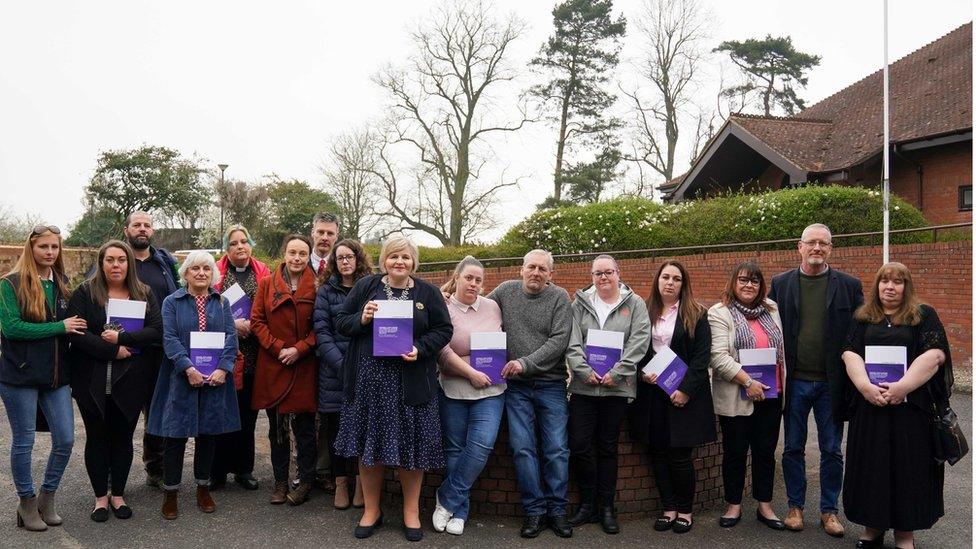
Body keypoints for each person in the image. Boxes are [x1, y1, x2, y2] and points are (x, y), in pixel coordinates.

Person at [333, 236, 453, 542]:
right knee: (369, 449)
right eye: (393, 257)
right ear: (384, 259)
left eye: (406, 257)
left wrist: (420, 347)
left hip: (411, 382)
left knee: (411, 449)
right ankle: (371, 510)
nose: (399, 262)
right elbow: (342, 323)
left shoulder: (427, 292)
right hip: (370, 384)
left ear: (414, 261)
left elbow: (444, 330)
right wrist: (362, 317)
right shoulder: (366, 287)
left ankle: (410, 512)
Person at [841, 262, 951, 549]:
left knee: (907, 470)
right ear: (877, 285)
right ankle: (872, 528)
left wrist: (903, 387)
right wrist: (865, 387)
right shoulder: (863, 317)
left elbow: (935, 355)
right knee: (872, 467)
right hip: (871, 408)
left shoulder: (923, 316)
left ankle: (905, 534)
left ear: (907, 286)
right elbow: (850, 354)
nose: (890, 287)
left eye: (897, 282)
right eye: (884, 281)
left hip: (910, 411)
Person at [768, 223, 863, 536]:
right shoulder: (780, 284)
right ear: (800, 246)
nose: (817, 248)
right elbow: (764, 326)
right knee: (793, 447)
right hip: (794, 381)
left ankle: (829, 511)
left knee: (832, 449)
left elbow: (862, 332)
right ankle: (795, 507)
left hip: (831, 384)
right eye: (812, 243)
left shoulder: (849, 285)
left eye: (824, 243)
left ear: (831, 248)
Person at [68, 240, 163, 522]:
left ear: (129, 263)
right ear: (101, 263)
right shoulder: (85, 292)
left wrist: (123, 339)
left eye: (121, 260)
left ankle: (118, 495)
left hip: (131, 380)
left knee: (123, 437)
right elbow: (76, 334)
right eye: (110, 260)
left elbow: (156, 331)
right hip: (91, 381)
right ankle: (100, 498)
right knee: (97, 437)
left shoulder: (143, 293)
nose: (116, 265)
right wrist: (112, 349)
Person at [147, 251, 241, 520]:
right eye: (195, 268)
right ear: (185, 273)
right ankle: (171, 492)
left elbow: (230, 338)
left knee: (207, 435)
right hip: (180, 377)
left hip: (214, 380)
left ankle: (203, 488)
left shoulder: (221, 302)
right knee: (175, 436)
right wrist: (187, 367)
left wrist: (223, 369)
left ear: (213, 274)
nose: (201, 273)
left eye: (206, 268)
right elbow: (169, 337)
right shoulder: (171, 302)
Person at [487, 249, 573, 539]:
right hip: (517, 388)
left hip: (551, 384)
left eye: (542, 269)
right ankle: (534, 511)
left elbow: (560, 341)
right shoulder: (505, 291)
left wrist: (525, 363)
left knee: (557, 450)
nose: (536, 273)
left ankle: (558, 511)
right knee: (523, 449)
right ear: (521, 269)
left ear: (551, 274)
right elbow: (479, 307)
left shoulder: (560, 297)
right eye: (531, 267)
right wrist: (449, 296)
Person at [0, 225, 79, 531]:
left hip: (56, 375)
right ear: (30, 249)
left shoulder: (62, 283)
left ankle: (48, 497)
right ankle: (26, 502)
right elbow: (11, 328)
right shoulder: (10, 283)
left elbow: (77, 322)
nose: (49, 252)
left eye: (54, 247)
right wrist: (59, 327)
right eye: (43, 247)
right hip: (19, 376)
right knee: (24, 442)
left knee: (65, 439)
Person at [565, 255, 650, 535]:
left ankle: (606, 507)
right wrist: (581, 369)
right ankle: (587, 502)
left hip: (617, 387)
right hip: (584, 387)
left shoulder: (634, 303)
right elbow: (572, 340)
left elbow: (639, 341)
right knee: (578, 444)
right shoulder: (579, 303)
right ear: (591, 276)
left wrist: (617, 372)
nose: (603, 278)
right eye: (598, 273)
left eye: (608, 272)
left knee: (607, 447)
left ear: (618, 273)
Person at [630, 260, 715, 534]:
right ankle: (668, 508)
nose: (670, 282)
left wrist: (686, 390)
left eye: (676, 278)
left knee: (679, 456)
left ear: (683, 283)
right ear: (657, 280)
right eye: (665, 277)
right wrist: (642, 373)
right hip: (652, 394)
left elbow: (702, 358)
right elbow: (635, 349)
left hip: (683, 395)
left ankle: (685, 511)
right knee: (657, 453)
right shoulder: (642, 310)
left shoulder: (697, 314)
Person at [708, 261, 787, 531]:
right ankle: (733, 504)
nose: (748, 285)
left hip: (772, 394)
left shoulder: (772, 309)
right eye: (743, 280)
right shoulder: (720, 313)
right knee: (735, 451)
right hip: (737, 393)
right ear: (733, 282)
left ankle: (765, 505)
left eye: (754, 281)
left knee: (765, 452)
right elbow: (718, 357)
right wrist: (749, 381)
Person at [431, 256, 506, 536]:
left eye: (478, 279)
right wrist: (470, 372)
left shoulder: (493, 307)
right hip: (453, 386)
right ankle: (459, 513)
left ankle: (446, 499)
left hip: (491, 389)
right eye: (468, 278)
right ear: (457, 277)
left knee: (482, 445)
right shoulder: (443, 306)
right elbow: (443, 351)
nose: (473, 284)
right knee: (454, 449)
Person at [250, 235, 319, 506]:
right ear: (285, 253)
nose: (297, 258)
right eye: (293, 252)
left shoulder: (317, 285)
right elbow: (257, 321)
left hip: (303, 365)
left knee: (304, 430)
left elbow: (321, 325)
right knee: (277, 430)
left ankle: (305, 482)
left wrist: (300, 349)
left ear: (308, 255)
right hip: (274, 365)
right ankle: (280, 482)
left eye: (303, 253)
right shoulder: (266, 284)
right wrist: (279, 348)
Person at [210, 225, 270, 492]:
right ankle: (218, 471)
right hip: (223, 353)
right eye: (233, 243)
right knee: (221, 412)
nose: (240, 246)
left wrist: (251, 326)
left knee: (248, 414)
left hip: (255, 354)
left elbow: (269, 310)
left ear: (251, 245)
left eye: (244, 241)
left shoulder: (264, 273)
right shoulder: (215, 273)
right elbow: (207, 307)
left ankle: (244, 469)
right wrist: (233, 325)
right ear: (227, 248)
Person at [122, 211, 180, 488]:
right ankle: (114, 472)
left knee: (159, 411)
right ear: (127, 230)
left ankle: (156, 468)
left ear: (152, 231)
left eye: (147, 225)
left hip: (162, 348)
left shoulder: (164, 262)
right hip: (129, 350)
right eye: (137, 225)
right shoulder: (118, 260)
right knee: (125, 411)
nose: (142, 229)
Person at [313, 238, 372, 510]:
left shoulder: (372, 288)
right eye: (340, 258)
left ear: (358, 259)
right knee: (335, 430)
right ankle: (341, 484)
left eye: (350, 257)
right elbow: (322, 332)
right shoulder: (326, 291)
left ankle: (362, 484)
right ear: (334, 263)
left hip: (367, 369)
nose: (345, 262)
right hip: (334, 372)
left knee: (364, 429)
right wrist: (342, 365)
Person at [308, 211, 340, 491]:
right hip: (303, 353)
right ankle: (306, 471)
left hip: (334, 354)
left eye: (330, 233)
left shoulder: (345, 266)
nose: (325, 238)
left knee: (331, 415)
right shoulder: (298, 264)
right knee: (305, 416)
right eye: (321, 232)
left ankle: (329, 472)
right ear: (312, 233)